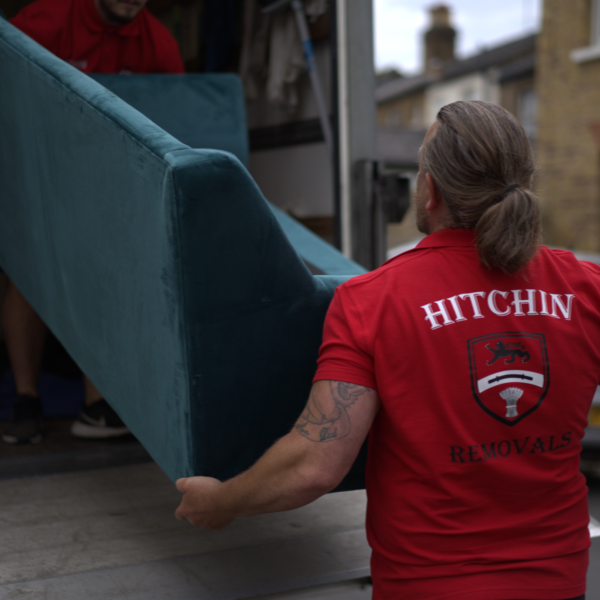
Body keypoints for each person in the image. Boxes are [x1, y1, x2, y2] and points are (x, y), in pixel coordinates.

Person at [175, 101, 594, 600]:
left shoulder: (372, 301)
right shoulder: (585, 287)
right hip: (559, 580)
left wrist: (220, 502)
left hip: (428, 585)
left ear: (431, 189)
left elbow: (314, 465)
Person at [3, 0, 184, 444]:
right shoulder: (44, 20)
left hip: (111, 178)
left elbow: (176, 121)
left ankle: (99, 403)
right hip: (38, 164)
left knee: (106, 277)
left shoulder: (157, 43)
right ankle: (26, 399)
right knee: (29, 276)